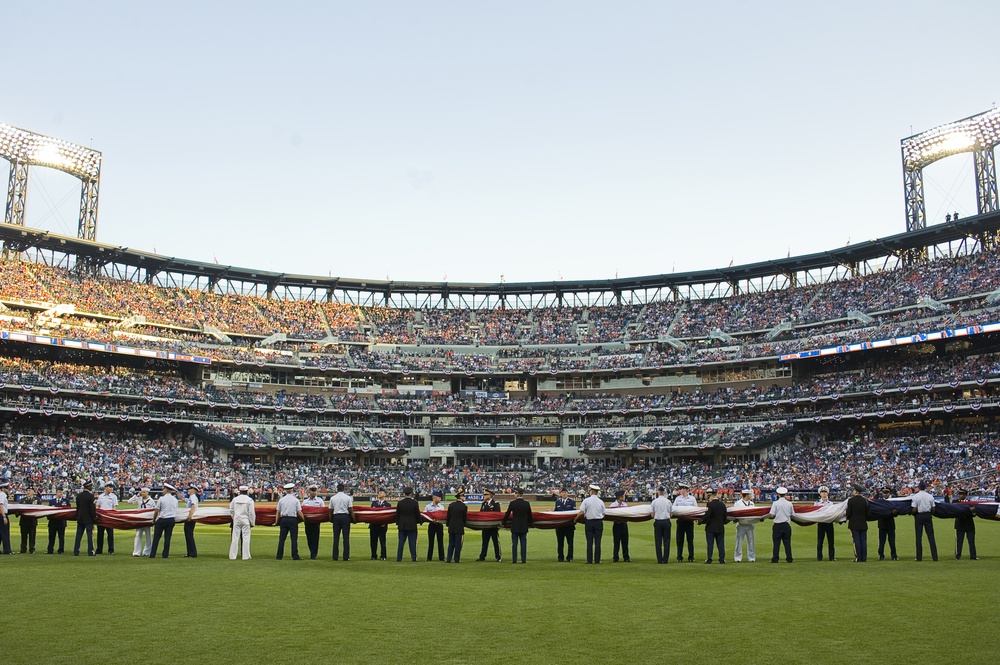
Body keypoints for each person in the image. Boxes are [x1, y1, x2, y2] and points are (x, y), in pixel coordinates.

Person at [763, 486, 794, 563]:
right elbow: (792, 514)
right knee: (787, 543)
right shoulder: (789, 504)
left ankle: (775, 558)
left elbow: (772, 515)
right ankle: (789, 558)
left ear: (778, 494)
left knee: (776, 543)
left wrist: (764, 517)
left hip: (777, 525)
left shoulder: (775, 503)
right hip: (786, 525)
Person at [149, 483, 179, 558]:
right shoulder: (175, 499)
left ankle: (153, 554)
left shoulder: (162, 499)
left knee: (156, 537)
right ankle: (165, 554)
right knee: (167, 538)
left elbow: (157, 510)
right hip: (171, 519)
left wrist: (154, 519)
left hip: (162, 519)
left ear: (166, 490)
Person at [275, 482, 304, 560]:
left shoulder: (281, 500)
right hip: (292, 519)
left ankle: (279, 555)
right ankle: (295, 555)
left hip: (284, 519)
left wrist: (276, 521)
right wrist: (303, 519)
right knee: (294, 539)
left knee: (282, 538)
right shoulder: (295, 500)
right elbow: (299, 512)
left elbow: (278, 512)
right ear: (292, 489)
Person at [503, 488, 532, 564]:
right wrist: (530, 523)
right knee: (523, 543)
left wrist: (503, 522)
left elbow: (507, 514)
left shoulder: (512, 503)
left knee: (514, 543)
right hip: (523, 526)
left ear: (517, 494)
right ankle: (523, 560)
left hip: (515, 525)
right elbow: (530, 515)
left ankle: (514, 560)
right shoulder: (526, 503)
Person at [910, 480, 938, 561]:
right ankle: (934, 556)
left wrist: (912, 513)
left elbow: (914, 509)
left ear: (918, 488)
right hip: (928, 515)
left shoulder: (916, 497)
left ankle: (919, 557)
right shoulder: (930, 496)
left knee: (919, 537)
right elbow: (933, 509)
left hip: (919, 515)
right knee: (931, 536)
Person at [578, 484, 606, 564]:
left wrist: (575, 519)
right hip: (598, 522)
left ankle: (589, 560)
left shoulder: (586, 500)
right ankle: (597, 560)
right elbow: (604, 514)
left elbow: (581, 512)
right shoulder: (601, 501)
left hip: (589, 522)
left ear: (592, 491)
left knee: (589, 542)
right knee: (598, 542)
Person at [329, 483, 355, 561]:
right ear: (344, 489)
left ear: (337, 489)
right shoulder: (347, 498)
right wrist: (354, 519)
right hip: (345, 517)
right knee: (346, 538)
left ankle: (335, 556)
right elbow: (350, 510)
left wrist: (330, 519)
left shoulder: (333, 498)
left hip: (336, 516)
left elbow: (330, 510)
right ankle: (346, 556)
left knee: (336, 538)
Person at [700, 488, 727, 564]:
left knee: (710, 544)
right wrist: (723, 522)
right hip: (720, 527)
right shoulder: (722, 504)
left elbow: (707, 515)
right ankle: (721, 559)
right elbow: (725, 516)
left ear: (711, 496)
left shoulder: (710, 505)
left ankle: (709, 558)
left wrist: (701, 521)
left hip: (710, 527)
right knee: (721, 544)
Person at [229, 485, 255, 560]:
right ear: (247, 491)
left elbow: (231, 510)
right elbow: (251, 513)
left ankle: (232, 556)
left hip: (237, 519)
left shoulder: (235, 499)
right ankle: (246, 556)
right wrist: (252, 522)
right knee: (246, 538)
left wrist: (234, 517)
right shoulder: (249, 500)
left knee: (235, 538)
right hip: (245, 519)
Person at [845, 484, 870, 562]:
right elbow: (868, 513)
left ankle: (858, 557)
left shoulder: (851, 501)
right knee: (863, 541)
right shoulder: (865, 500)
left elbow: (848, 513)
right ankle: (864, 557)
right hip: (863, 523)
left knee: (856, 541)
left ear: (855, 491)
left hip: (854, 523)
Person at [395, 486, 420, 562]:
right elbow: (417, 514)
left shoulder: (400, 503)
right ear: (411, 493)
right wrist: (419, 521)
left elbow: (397, 514)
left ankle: (399, 558)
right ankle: (413, 558)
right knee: (412, 543)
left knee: (401, 543)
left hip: (402, 525)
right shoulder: (415, 503)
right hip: (412, 525)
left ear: (404, 494)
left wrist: (398, 522)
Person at [73, 480, 98, 557]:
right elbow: (92, 509)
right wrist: (95, 518)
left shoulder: (79, 496)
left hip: (80, 518)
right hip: (88, 519)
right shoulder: (91, 496)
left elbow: (78, 508)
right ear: (88, 487)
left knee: (78, 535)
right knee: (89, 535)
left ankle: (76, 551)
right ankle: (90, 551)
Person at [674, 483, 697, 563]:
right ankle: (679, 556)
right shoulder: (677, 499)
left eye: (681, 489)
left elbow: (695, 509)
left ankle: (691, 556)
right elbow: (674, 509)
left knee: (690, 540)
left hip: (689, 521)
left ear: (685, 489)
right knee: (679, 540)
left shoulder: (692, 498)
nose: (679, 490)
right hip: (680, 521)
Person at [476, 489, 502, 562]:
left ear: (490, 495)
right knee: (484, 542)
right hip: (485, 526)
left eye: (485, 494)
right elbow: (481, 513)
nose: (484, 496)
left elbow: (497, 514)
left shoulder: (495, 504)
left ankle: (498, 556)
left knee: (495, 542)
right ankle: (482, 556)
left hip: (493, 527)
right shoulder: (483, 504)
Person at [732, 488, 756, 563]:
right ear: (746, 495)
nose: (750, 496)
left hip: (749, 525)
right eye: (749, 494)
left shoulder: (752, 503)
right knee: (739, 542)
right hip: (741, 524)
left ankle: (751, 557)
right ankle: (737, 557)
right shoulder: (738, 503)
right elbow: (735, 513)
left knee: (751, 542)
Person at [301, 485, 325, 560]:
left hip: (316, 522)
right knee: (309, 538)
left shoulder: (320, 501)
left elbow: (323, 511)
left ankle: (313, 554)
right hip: (307, 522)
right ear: (309, 492)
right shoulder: (305, 501)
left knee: (315, 538)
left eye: (315, 491)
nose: (313, 492)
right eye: (312, 491)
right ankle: (312, 551)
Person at [650, 486, 672, 564]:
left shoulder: (654, 502)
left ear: (658, 492)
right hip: (666, 521)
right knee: (667, 541)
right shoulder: (668, 501)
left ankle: (659, 560)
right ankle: (665, 560)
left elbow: (652, 515)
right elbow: (671, 514)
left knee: (658, 541)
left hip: (658, 521)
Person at [130, 487, 155, 557]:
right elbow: (130, 502)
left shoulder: (151, 501)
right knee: (138, 535)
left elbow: (153, 510)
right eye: (142, 492)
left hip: (147, 520)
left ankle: (146, 552)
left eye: (144, 492)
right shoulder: (139, 499)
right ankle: (136, 552)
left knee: (148, 537)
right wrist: (137, 495)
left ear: (147, 493)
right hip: (139, 520)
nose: (142, 493)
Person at [95, 482, 119, 555]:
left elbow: (114, 507)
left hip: (109, 517)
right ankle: (99, 549)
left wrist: (111, 514)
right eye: (109, 487)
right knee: (100, 534)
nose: (111, 488)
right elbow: (98, 506)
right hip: (101, 517)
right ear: (105, 487)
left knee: (110, 534)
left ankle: (111, 550)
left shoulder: (113, 496)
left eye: (112, 487)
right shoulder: (101, 496)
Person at [46, 487, 71, 555]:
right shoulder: (52, 501)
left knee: (61, 537)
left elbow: (69, 510)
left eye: (61, 492)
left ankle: (61, 550)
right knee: (51, 536)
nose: (61, 494)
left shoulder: (66, 501)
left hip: (61, 522)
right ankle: (50, 550)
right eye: (59, 492)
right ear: (56, 492)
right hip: (53, 522)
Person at [954, 488, 977, 560]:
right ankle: (958, 555)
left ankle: (973, 556)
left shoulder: (970, 503)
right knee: (959, 541)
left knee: (971, 541)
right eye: (959, 494)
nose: (960, 496)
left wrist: (972, 511)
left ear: (965, 495)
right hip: (960, 523)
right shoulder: (955, 502)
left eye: (962, 494)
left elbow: (974, 514)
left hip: (969, 523)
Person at [554, 488, 576, 563]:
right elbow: (556, 512)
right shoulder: (558, 502)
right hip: (560, 526)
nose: (564, 493)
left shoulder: (572, 502)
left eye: (565, 492)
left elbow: (574, 513)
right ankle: (560, 557)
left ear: (567, 493)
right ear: (560, 494)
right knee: (560, 543)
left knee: (570, 543)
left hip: (569, 526)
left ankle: (570, 557)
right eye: (562, 492)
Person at [446, 490, 468, 563]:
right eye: (463, 496)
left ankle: (449, 558)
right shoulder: (464, 506)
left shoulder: (451, 505)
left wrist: (448, 524)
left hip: (451, 526)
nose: (464, 497)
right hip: (459, 526)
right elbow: (464, 517)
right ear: (460, 497)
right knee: (458, 544)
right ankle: (456, 559)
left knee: (451, 543)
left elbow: (448, 516)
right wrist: (464, 524)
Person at [877, 487, 898, 561]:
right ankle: (881, 555)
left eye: (887, 493)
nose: (885, 494)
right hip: (882, 524)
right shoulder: (879, 502)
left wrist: (894, 513)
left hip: (889, 523)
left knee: (891, 541)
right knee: (882, 541)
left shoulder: (892, 501)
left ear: (889, 494)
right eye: (884, 493)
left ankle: (894, 555)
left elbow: (896, 512)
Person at [814, 486, 835, 561]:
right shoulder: (817, 503)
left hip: (829, 523)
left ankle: (831, 557)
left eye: (825, 492)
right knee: (820, 541)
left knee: (831, 541)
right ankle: (819, 557)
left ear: (827, 493)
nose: (824, 494)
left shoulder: (831, 503)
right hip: (821, 523)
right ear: (820, 493)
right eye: (822, 492)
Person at [609, 489, 631, 563]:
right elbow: (610, 516)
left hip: (624, 524)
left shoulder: (625, 505)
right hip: (617, 525)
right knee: (616, 542)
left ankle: (626, 557)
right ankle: (615, 557)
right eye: (623, 496)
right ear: (620, 497)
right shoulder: (613, 505)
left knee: (625, 541)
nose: (623, 497)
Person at [424, 489, 446, 562]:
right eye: (439, 498)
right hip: (431, 525)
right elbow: (424, 516)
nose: (440, 499)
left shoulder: (441, 507)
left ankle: (442, 557)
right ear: (434, 497)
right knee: (431, 542)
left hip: (439, 525)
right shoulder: (428, 507)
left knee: (440, 541)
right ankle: (429, 557)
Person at [369, 490, 391, 560]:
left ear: (385, 495)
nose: (379, 494)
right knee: (373, 541)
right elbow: (371, 513)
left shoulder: (387, 504)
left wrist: (385, 523)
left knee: (382, 541)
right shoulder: (374, 503)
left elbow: (388, 516)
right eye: (379, 493)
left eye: (381, 493)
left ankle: (383, 555)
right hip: (373, 525)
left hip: (382, 526)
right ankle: (373, 555)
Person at [18, 487, 40, 554]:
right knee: (23, 536)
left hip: (32, 521)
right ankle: (23, 549)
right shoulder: (22, 500)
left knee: (32, 536)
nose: (28, 492)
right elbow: (19, 509)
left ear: (33, 492)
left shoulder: (37, 500)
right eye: (27, 490)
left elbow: (39, 509)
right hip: (24, 521)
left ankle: (32, 549)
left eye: (29, 490)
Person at [182, 486, 199, 558]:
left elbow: (193, 506)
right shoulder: (191, 497)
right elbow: (183, 499)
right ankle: (190, 552)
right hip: (190, 518)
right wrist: (176, 492)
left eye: (189, 489)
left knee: (189, 536)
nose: (188, 490)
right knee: (188, 535)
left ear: (193, 490)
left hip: (190, 518)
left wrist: (189, 516)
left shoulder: (193, 497)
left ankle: (192, 553)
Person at [0, 482, 12, 555]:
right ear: (3, 489)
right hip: (2, 515)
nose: (8, 490)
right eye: (7, 488)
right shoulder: (2, 495)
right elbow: (0, 505)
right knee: (5, 533)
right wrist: (4, 516)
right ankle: (7, 549)